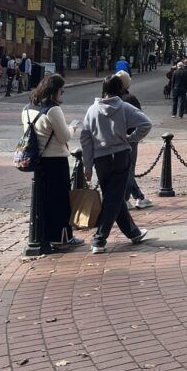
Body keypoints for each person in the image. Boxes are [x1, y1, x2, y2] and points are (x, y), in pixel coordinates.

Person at [80, 74, 152, 254]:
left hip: (101, 159)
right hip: (120, 155)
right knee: (114, 198)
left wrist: (87, 166)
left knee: (114, 196)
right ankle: (99, 238)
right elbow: (146, 123)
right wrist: (131, 139)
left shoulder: (92, 110)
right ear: (120, 89)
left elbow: (86, 139)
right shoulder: (125, 108)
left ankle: (133, 232)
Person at [21, 73, 83, 250]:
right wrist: (72, 128)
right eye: (61, 91)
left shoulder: (27, 108)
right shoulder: (53, 110)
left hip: (37, 160)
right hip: (55, 160)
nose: (62, 94)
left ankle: (44, 235)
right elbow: (64, 136)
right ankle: (62, 237)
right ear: (55, 91)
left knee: (44, 200)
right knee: (60, 201)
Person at [115, 70, 153, 211]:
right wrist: (134, 136)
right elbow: (142, 121)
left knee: (124, 169)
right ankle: (125, 200)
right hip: (129, 138)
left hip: (115, 138)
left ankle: (139, 197)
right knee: (129, 169)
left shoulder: (112, 98)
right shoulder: (130, 99)